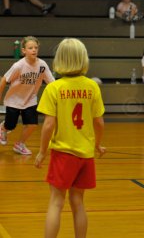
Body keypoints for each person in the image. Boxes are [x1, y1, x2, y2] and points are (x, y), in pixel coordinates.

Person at [34, 38, 106, 238]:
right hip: (85, 155)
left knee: (56, 202)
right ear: (83, 59)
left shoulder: (54, 88)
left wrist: (41, 152)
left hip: (63, 154)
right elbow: (99, 123)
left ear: (60, 60)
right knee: (78, 203)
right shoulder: (92, 87)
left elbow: (48, 125)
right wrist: (98, 144)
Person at [0, 36, 54, 155]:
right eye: (30, 48)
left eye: (36, 47)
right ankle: (3, 128)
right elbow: (4, 79)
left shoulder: (42, 65)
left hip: (30, 99)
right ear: (24, 51)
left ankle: (20, 144)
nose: (34, 50)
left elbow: (52, 83)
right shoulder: (18, 66)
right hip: (13, 100)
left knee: (32, 125)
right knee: (11, 125)